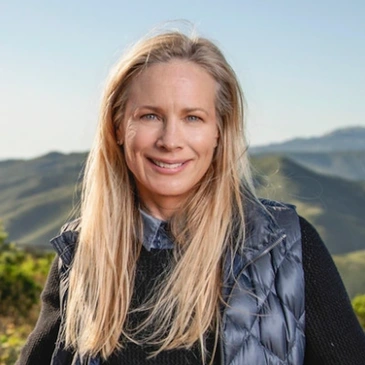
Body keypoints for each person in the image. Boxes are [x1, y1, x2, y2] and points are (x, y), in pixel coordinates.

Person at [17, 30, 365, 365]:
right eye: (150, 115)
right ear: (119, 127)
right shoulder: (81, 253)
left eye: (193, 117)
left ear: (219, 132)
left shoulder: (285, 248)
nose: (170, 140)